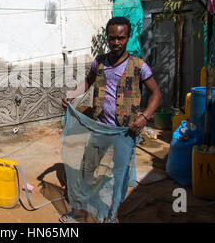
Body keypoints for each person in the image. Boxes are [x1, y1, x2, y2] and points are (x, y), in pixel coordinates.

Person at [59, 16, 161, 223]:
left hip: (125, 132)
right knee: (87, 168)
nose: (116, 42)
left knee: (118, 174)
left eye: (120, 38)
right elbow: (88, 81)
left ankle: (113, 214)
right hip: (100, 129)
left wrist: (144, 117)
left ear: (128, 37)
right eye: (112, 37)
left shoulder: (139, 66)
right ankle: (81, 211)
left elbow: (156, 94)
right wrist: (72, 94)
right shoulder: (100, 62)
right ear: (107, 37)